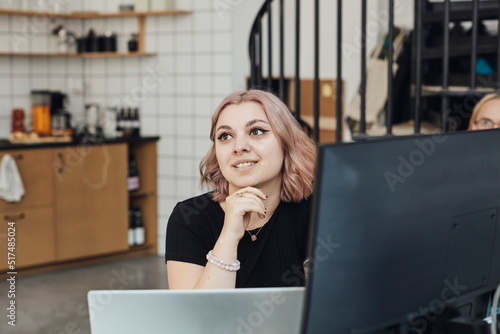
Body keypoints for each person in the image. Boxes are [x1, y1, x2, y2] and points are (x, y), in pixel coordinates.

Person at [165, 90, 317, 289]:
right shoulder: (188, 218)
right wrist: (228, 236)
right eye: (225, 136)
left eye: (256, 131)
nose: (239, 147)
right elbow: (197, 317)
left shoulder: (317, 210)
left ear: (286, 142)